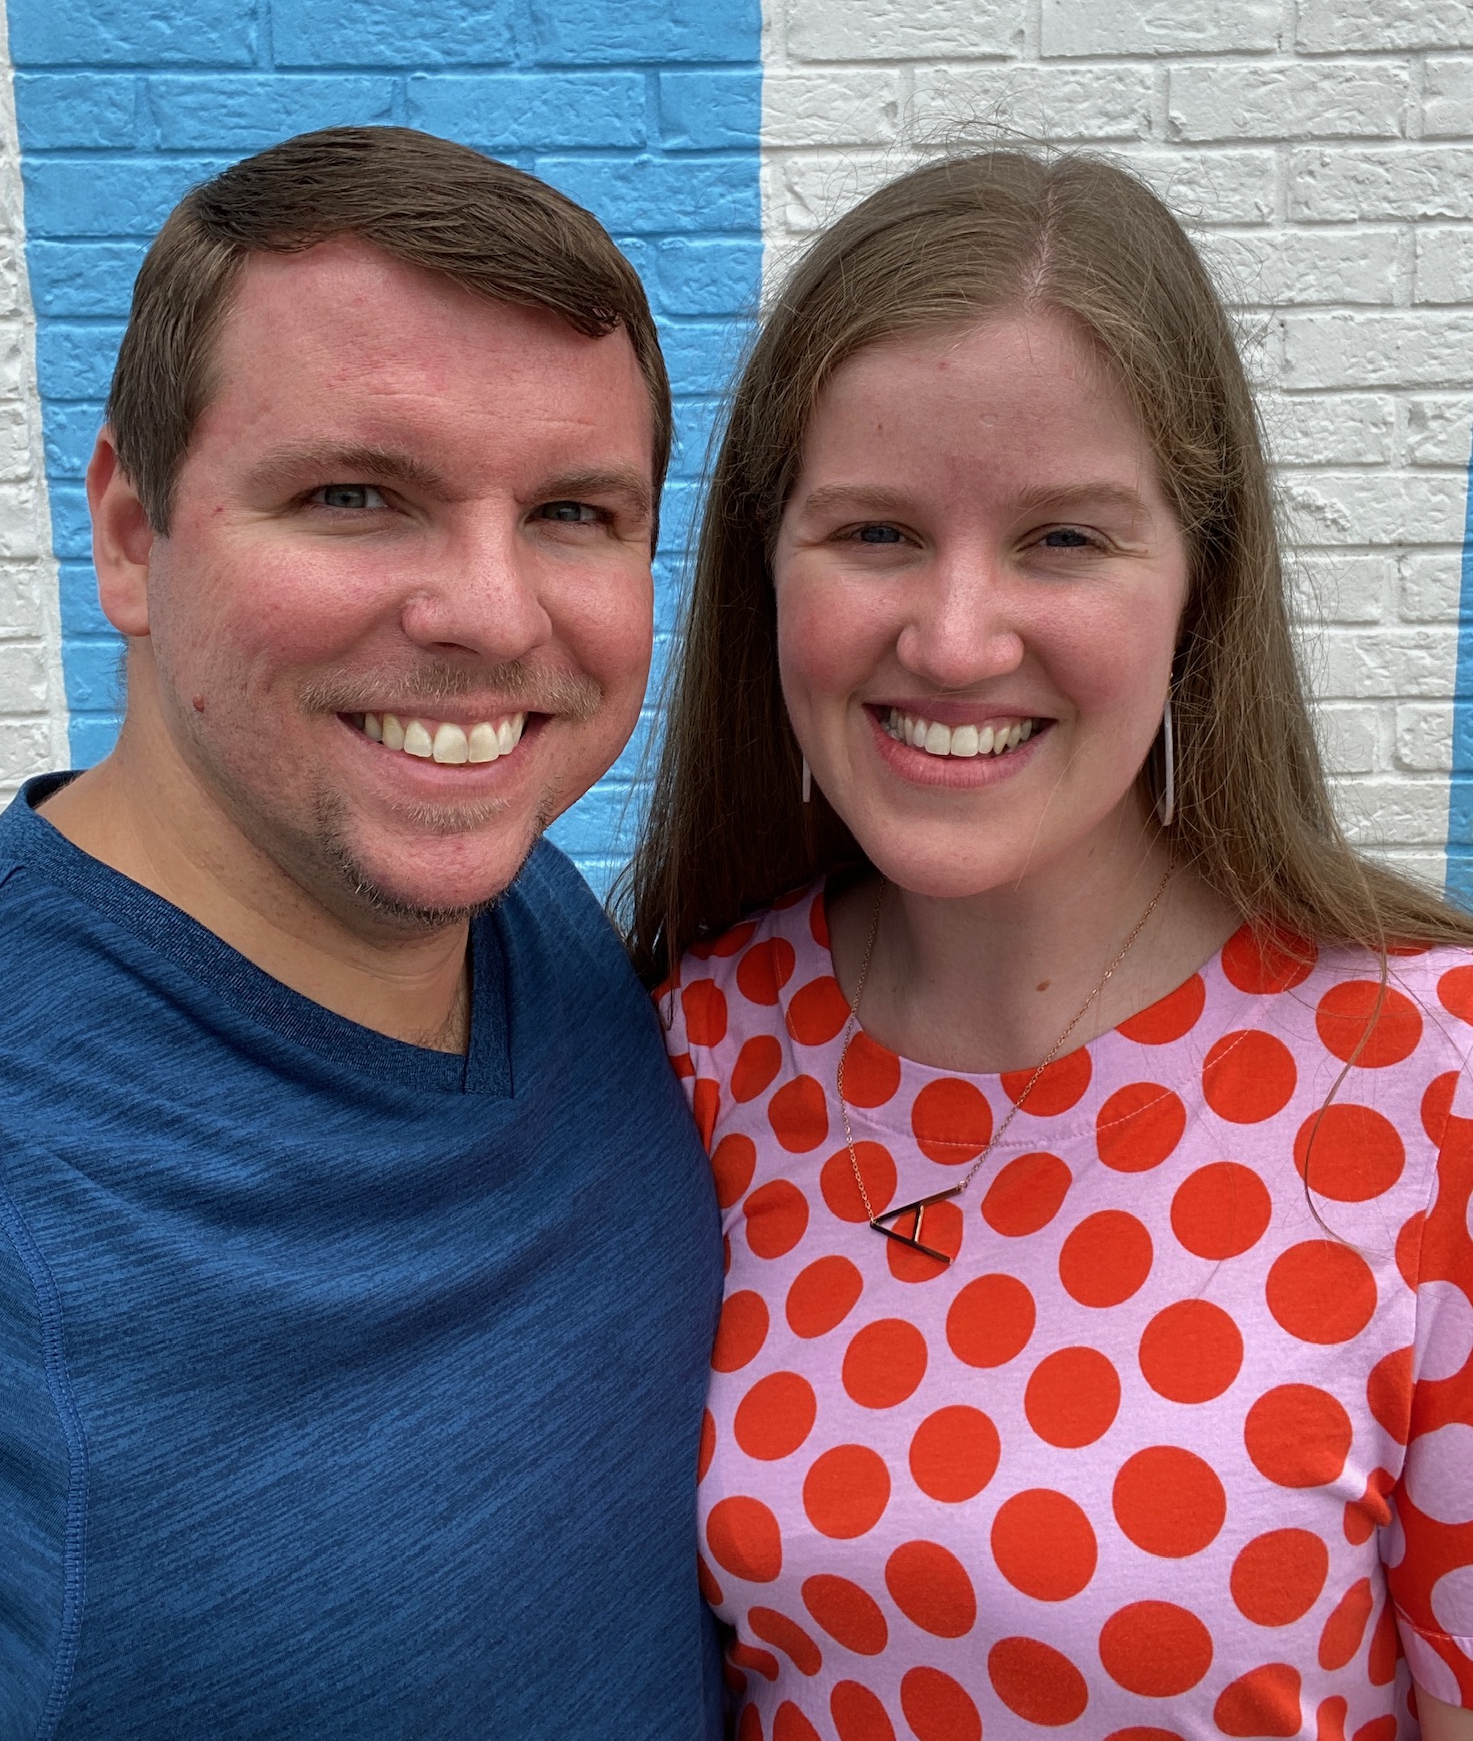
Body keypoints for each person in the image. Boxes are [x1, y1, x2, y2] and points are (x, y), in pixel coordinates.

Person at [628, 149, 1473, 1739]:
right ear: (766, 568)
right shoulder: (692, 1050)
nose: (955, 638)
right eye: (874, 531)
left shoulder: (1432, 1089)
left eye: (1064, 541)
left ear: (1201, 585)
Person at [0, 127, 723, 1737]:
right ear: (133, 532)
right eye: (356, 495)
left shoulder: (539, 918)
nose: (493, 616)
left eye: (576, 512)